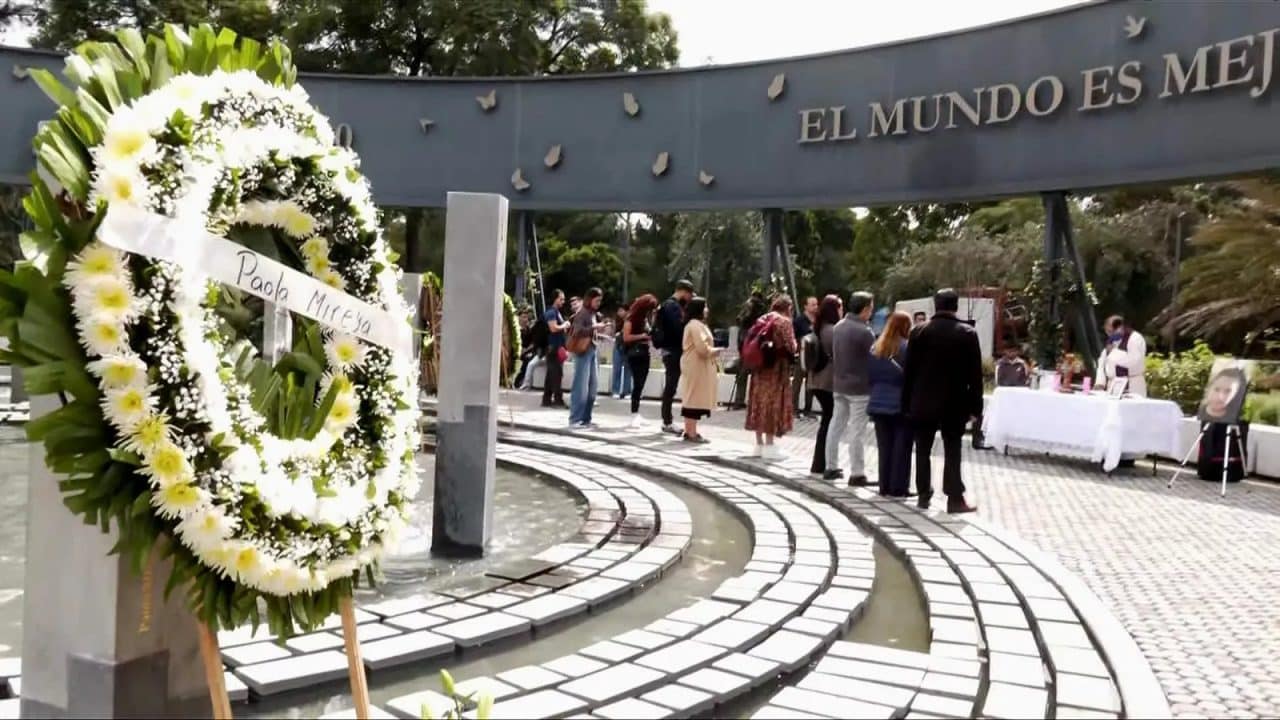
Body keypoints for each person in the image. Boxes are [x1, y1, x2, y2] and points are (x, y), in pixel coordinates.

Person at [902, 289, 981, 514]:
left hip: (922, 401)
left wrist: (906, 402)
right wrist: (976, 407)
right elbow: (975, 375)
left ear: (935, 306)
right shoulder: (967, 333)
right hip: (954, 403)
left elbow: (909, 372)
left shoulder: (918, 332)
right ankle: (954, 497)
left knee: (923, 449)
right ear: (955, 306)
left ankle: (923, 494)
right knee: (952, 449)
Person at [825, 291, 876, 485]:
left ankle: (830, 465)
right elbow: (874, 357)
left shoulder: (839, 327)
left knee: (835, 425)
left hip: (839, 384)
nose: (871, 312)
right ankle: (857, 472)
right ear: (864, 309)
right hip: (860, 388)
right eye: (870, 308)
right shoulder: (864, 331)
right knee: (857, 431)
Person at [746, 295, 799, 460]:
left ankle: (758, 444)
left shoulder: (763, 318)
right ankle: (770, 445)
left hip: (759, 369)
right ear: (788, 308)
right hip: (776, 370)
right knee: (773, 403)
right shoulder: (784, 322)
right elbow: (791, 347)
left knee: (758, 402)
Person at [868, 311, 913, 497]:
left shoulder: (876, 348)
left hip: (877, 401)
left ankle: (884, 485)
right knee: (901, 446)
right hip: (900, 402)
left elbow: (870, 376)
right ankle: (898, 487)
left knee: (884, 446)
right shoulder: (907, 348)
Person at [655, 280, 696, 434]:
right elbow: (677, 329)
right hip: (673, 351)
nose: (689, 298)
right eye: (689, 295)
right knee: (671, 386)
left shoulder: (668, 305)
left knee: (671, 386)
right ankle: (667, 421)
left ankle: (667, 420)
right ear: (683, 291)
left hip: (670, 350)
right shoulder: (672, 306)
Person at [806, 295, 841, 475]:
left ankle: (818, 463)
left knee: (826, 421)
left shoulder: (817, 328)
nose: (841, 311)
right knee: (830, 422)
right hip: (828, 382)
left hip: (815, 380)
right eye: (839, 307)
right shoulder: (833, 331)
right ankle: (823, 463)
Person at [679, 296, 720, 443]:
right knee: (693, 398)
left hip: (696, 366)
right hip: (696, 366)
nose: (707, 310)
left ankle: (690, 430)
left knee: (692, 397)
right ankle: (691, 432)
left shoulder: (695, 324)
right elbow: (702, 348)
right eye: (705, 306)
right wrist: (716, 350)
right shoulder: (695, 325)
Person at [568, 288, 606, 427]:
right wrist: (595, 327)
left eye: (600, 301)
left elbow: (590, 330)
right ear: (590, 299)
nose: (598, 303)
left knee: (592, 386)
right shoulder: (582, 313)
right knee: (581, 386)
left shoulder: (592, 313)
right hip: (583, 352)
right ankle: (575, 418)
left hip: (592, 350)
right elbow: (578, 331)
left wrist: (599, 331)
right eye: (597, 300)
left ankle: (586, 418)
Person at [623, 293, 659, 427]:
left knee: (641, 384)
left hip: (644, 351)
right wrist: (641, 336)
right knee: (638, 384)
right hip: (635, 353)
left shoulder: (644, 319)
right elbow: (626, 337)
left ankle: (636, 412)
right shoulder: (631, 318)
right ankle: (634, 413)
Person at [732, 291, 768, 409]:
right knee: (755, 374)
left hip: (745, 344)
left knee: (742, 374)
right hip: (755, 344)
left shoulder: (748, 308)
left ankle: (739, 400)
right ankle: (754, 401)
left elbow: (740, 321)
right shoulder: (762, 311)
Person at [1096, 315, 1148, 397]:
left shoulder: (1135, 338)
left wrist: (1113, 352)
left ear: (1120, 327)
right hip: (1113, 387)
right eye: (1107, 331)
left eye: (1111, 331)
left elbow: (1133, 361)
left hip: (1132, 386)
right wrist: (1100, 383)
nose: (1109, 334)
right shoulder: (1111, 342)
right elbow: (1102, 364)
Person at [541, 290, 568, 407]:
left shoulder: (556, 312)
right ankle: (558, 400)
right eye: (561, 299)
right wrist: (564, 325)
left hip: (556, 347)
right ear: (555, 299)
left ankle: (546, 399)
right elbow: (553, 328)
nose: (563, 301)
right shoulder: (551, 313)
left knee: (551, 374)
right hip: (553, 347)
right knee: (556, 374)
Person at [792, 296, 818, 418]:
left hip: (813, 355)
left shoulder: (818, 320)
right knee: (797, 383)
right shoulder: (799, 320)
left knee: (811, 383)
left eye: (816, 304)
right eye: (812, 304)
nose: (815, 307)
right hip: (801, 355)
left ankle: (808, 409)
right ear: (806, 306)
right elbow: (794, 337)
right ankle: (793, 409)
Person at [610, 306, 633, 399]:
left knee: (628, 369)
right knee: (617, 369)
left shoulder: (631, 320)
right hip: (618, 346)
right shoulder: (617, 321)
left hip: (628, 346)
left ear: (627, 311)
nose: (619, 312)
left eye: (621, 310)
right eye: (618, 310)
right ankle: (615, 390)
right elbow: (613, 333)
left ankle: (626, 391)